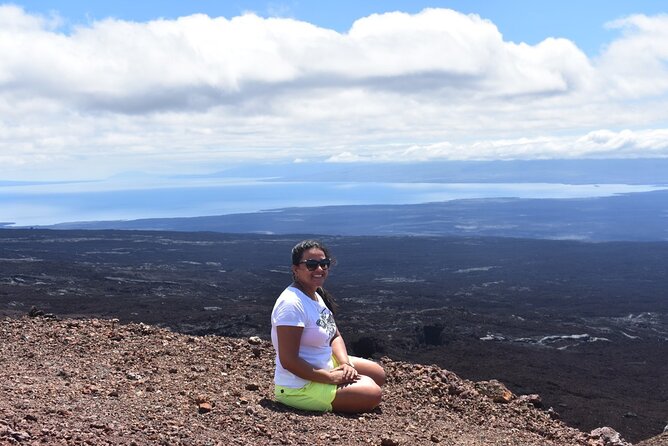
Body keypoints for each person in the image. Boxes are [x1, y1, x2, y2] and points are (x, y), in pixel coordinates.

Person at [271, 239, 385, 413]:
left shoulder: (316, 295)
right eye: (311, 265)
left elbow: (334, 335)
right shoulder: (291, 304)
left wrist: (345, 363)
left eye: (324, 264)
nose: (319, 269)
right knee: (373, 393)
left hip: (322, 361)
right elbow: (289, 361)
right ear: (295, 269)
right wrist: (330, 377)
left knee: (378, 374)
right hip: (299, 385)